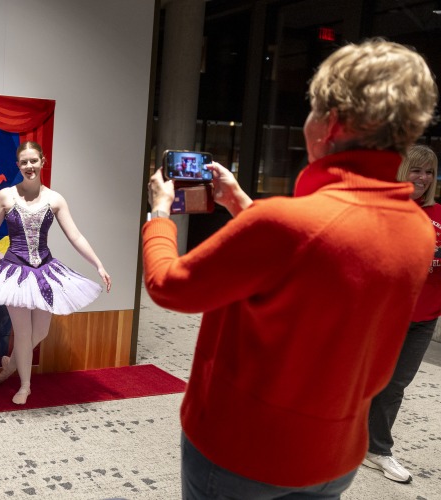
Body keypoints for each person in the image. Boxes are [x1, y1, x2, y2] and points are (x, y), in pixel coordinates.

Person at [143, 39, 437, 498]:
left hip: (243, 453)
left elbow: (169, 287)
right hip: (336, 456)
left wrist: (159, 215)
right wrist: (243, 205)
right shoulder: (418, 228)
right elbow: (318, 261)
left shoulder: (287, 224)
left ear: (330, 124)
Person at [0, 141, 112, 405]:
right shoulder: (5, 196)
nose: (29, 166)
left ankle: (11, 363)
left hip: (45, 272)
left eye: (33, 161)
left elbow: (75, 236)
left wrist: (98, 264)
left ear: (42, 161)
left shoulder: (55, 199)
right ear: (18, 165)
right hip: (14, 271)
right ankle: (25, 386)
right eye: (24, 162)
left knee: (41, 332)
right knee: (23, 334)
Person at [362, 144, 440, 484]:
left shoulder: (438, 214)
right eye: (415, 170)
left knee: (395, 385)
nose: (422, 178)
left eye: (428, 172)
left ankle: (376, 449)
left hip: (424, 318)